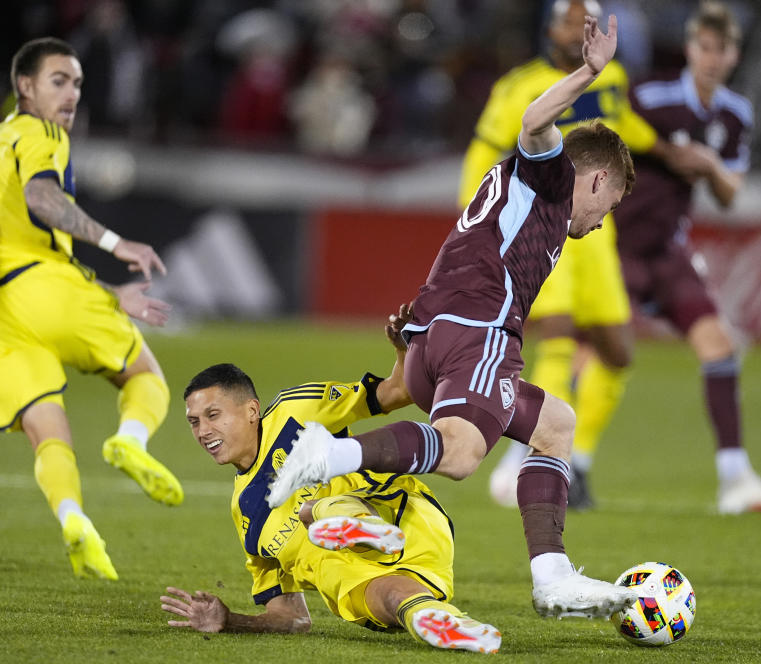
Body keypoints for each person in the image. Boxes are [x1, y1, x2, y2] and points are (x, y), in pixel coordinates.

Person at [269, 15, 638, 620]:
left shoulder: (525, 198)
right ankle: (326, 457)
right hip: (477, 333)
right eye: (611, 203)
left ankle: (551, 578)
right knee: (462, 454)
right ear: (596, 178)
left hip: (434, 339)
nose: (602, 221)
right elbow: (534, 121)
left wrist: (417, 339)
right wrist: (589, 72)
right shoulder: (551, 179)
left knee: (556, 425)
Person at [0, 37, 184, 580]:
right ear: (25, 86)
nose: (71, 94)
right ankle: (130, 441)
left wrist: (108, 293)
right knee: (145, 375)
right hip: (46, 290)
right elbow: (42, 201)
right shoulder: (42, 134)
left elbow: (15, 239)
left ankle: (73, 518)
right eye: (58, 80)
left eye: (78, 83)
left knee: (47, 434)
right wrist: (116, 244)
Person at [460, 0, 692, 511]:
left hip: (596, 238)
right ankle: (523, 458)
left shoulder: (610, 79)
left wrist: (672, 152)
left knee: (617, 352)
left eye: (589, 18)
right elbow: (485, 151)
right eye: (571, 19)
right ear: (550, 29)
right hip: (543, 231)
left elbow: (622, 126)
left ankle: (577, 460)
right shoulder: (520, 86)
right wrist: (480, 223)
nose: (579, 28)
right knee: (558, 333)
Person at [165, 311, 501, 654]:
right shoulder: (246, 515)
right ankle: (439, 619)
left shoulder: (296, 412)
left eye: (213, 415)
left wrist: (405, 351)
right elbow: (292, 617)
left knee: (313, 512)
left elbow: (396, 392)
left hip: (405, 518)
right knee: (390, 597)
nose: (203, 431)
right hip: (401, 573)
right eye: (194, 422)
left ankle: (365, 529)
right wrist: (230, 620)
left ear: (252, 410)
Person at [613, 1, 761, 514]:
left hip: (669, 251)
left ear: (735, 54)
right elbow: (606, 144)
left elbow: (729, 194)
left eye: (723, 50)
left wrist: (708, 164)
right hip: (616, 244)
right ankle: (528, 456)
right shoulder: (649, 95)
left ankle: (734, 479)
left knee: (719, 348)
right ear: (691, 48)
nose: (713, 58)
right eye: (705, 47)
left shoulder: (735, 113)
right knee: (598, 352)